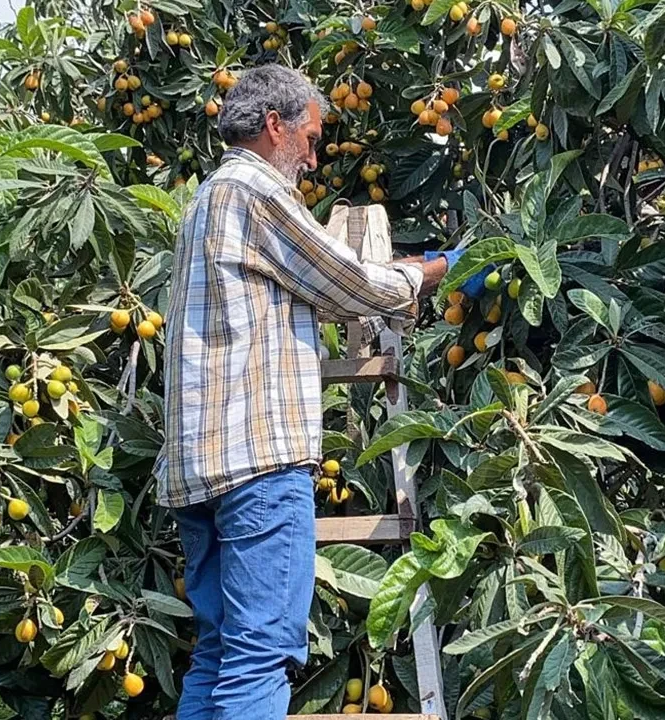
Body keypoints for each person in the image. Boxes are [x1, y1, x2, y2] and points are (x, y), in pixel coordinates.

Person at [153, 63, 477, 720]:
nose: (315, 152)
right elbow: (347, 281)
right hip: (257, 462)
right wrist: (438, 270)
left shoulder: (207, 201)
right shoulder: (255, 193)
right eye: (312, 134)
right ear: (276, 125)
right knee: (260, 655)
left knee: (218, 653)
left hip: (199, 468)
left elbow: (304, 284)